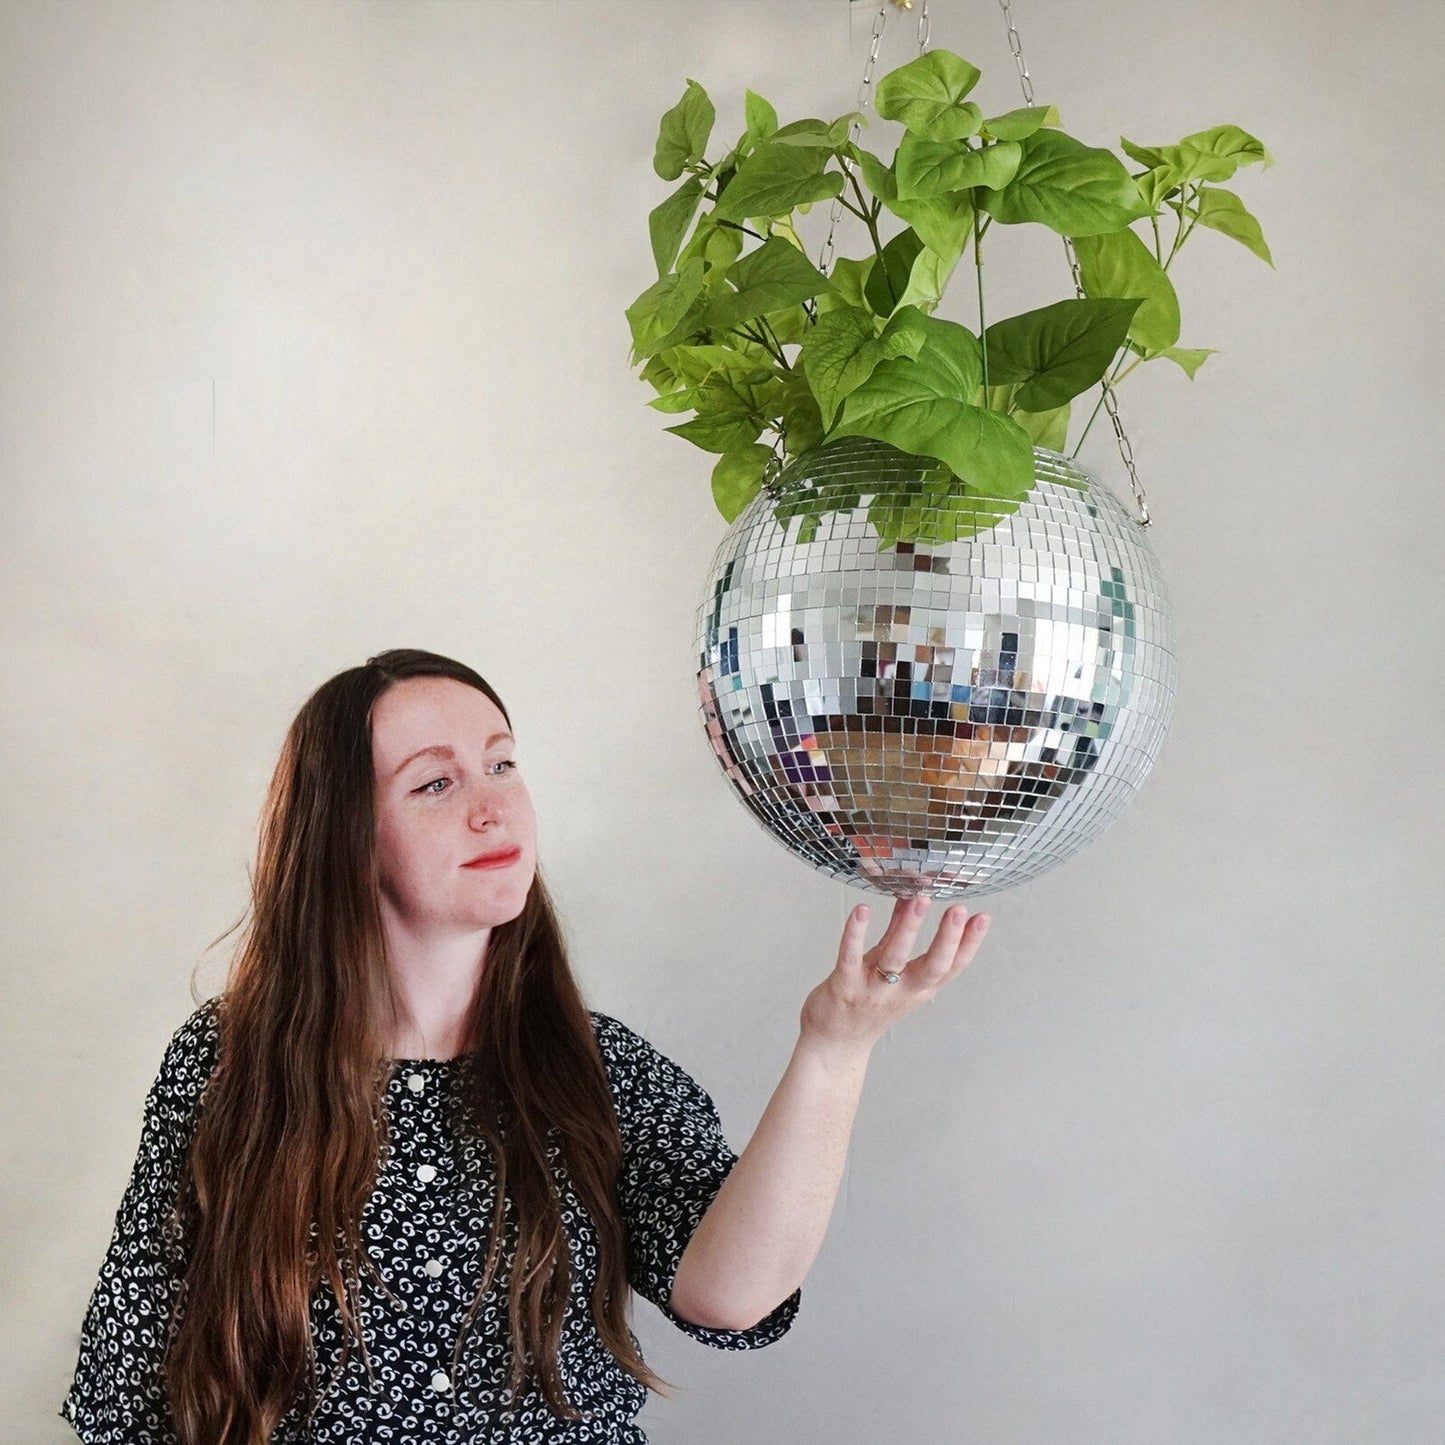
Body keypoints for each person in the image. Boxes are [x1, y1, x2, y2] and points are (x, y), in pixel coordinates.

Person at [58, 647, 992, 1444]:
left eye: (502, 763)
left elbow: (729, 1295)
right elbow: (128, 1385)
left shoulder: (597, 1066)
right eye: (435, 782)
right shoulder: (226, 1064)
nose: (492, 806)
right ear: (345, 833)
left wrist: (833, 1049)